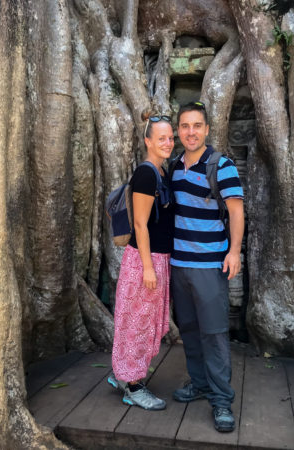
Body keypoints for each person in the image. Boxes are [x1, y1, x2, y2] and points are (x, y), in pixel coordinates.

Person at [170, 101, 244, 432]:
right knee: (189, 330)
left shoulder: (221, 166)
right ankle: (199, 384)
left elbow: (237, 211)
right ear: (178, 131)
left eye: (196, 126)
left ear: (206, 130)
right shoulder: (172, 166)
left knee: (213, 333)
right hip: (178, 264)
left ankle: (221, 400)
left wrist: (235, 251)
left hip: (210, 264)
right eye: (185, 126)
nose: (190, 132)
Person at [107, 112, 175, 410]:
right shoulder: (147, 174)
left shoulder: (162, 171)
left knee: (140, 321)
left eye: (170, 137)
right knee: (138, 323)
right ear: (148, 141)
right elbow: (140, 224)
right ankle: (132, 386)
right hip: (144, 261)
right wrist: (148, 267)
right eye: (161, 138)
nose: (168, 142)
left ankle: (121, 373)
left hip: (156, 259)